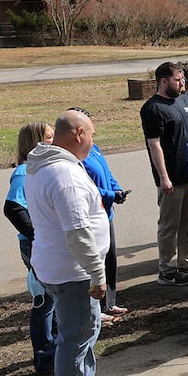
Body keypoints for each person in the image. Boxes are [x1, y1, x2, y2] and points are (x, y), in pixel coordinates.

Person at [25, 109, 120, 376]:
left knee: (86, 329)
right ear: (78, 133)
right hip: (73, 272)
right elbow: (78, 232)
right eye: (91, 135)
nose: (93, 142)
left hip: (59, 265)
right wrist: (98, 274)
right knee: (76, 335)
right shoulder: (63, 176)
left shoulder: (48, 165)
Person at [141, 61, 188, 285]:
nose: (182, 83)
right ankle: (167, 269)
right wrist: (164, 178)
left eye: (183, 79)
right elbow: (154, 145)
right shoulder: (153, 108)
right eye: (178, 80)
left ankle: (184, 263)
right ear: (163, 81)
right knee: (169, 225)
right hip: (171, 179)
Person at [2, 121, 56, 375]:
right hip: (35, 245)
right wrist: (37, 234)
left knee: (54, 298)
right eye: (48, 136)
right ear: (34, 141)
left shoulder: (41, 167)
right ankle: (45, 358)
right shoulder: (24, 172)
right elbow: (13, 207)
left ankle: (55, 349)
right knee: (44, 300)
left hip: (44, 243)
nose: (54, 139)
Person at [78, 121, 129, 318]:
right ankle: (96, 310)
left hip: (106, 214)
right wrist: (110, 195)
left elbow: (107, 173)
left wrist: (116, 189)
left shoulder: (94, 148)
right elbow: (87, 188)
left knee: (110, 260)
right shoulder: (76, 157)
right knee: (96, 263)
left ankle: (109, 303)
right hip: (92, 216)